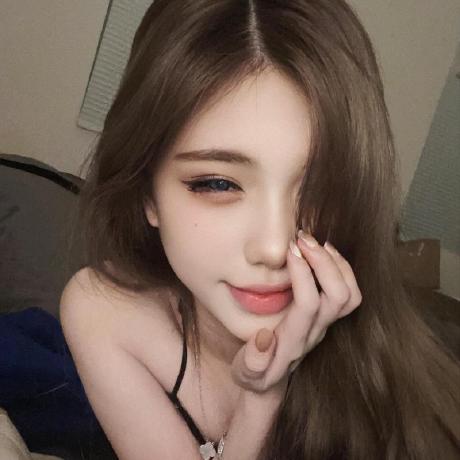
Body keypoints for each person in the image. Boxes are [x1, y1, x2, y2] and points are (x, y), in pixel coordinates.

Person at [59, 1, 460, 459]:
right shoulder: (104, 310)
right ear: (147, 194)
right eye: (217, 183)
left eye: (319, 188)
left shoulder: (402, 376)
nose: (273, 248)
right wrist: (262, 393)